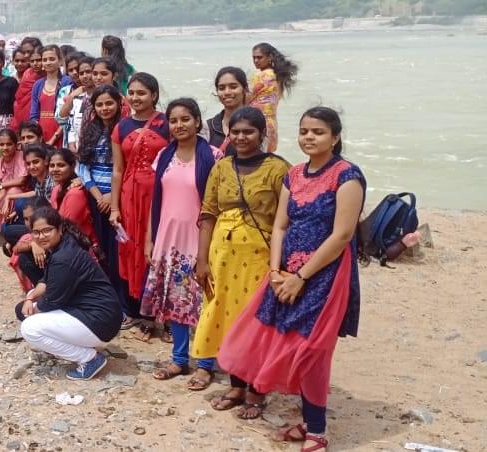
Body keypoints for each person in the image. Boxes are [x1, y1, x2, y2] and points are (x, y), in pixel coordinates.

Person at [218, 107, 366, 452]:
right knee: (273, 338)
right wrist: (274, 271)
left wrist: (301, 276)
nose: (309, 138)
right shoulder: (294, 174)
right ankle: (308, 417)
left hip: (325, 275)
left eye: (318, 132)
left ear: (335, 137)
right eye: (304, 131)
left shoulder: (347, 176)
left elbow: (342, 235)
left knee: (313, 350)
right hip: (285, 273)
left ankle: (317, 430)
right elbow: (280, 226)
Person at [196, 107, 289, 418]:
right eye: (235, 132)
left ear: (262, 135)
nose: (240, 137)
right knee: (228, 319)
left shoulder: (278, 169)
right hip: (222, 258)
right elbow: (208, 214)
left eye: (248, 132)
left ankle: (257, 390)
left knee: (256, 323)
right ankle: (236, 385)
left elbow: (287, 219)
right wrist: (201, 260)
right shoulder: (222, 167)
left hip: (260, 258)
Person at [141, 98, 222, 389]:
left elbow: (216, 206)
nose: (180, 125)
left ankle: (205, 363)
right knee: (175, 300)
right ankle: (179, 358)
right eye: (174, 120)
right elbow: (156, 202)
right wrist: (150, 238)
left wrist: (209, 249)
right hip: (168, 238)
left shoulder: (213, 156)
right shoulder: (163, 155)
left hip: (199, 239)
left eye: (186, 119)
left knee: (203, 302)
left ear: (198, 121)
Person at [15, 206, 123, 381]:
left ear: (59, 229)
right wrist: (29, 298)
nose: (41, 236)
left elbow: (50, 302)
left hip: (100, 321)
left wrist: (32, 307)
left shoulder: (64, 257)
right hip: (98, 316)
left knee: (30, 328)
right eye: (36, 232)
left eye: (46, 230)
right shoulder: (63, 245)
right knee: (24, 311)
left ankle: (89, 359)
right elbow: (46, 281)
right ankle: (77, 347)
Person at [109, 72, 170, 332]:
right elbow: (117, 170)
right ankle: (137, 311)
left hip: (160, 195)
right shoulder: (121, 127)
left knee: (160, 250)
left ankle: (165, 315)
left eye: (141, 93)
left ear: (154, 95)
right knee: (130, 250)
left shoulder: (167, 124)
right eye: (131, 93)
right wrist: (114, 207)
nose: (135, 98)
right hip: (129, 197)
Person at [75, 85, 124, 305]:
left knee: (119, 250)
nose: (105, 108)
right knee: (101, 248)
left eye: (109, 103)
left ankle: (124, 299)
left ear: (118, 104)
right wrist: (97, 195)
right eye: (100, 104)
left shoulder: (124, 129)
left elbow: (125, 168)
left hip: (118, 199)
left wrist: (111, 197)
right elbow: (82, 167)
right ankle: (108, 296)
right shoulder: (90, 130)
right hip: (96, 198)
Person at [249, 43, 299, 153]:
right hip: (271, 123)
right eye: (254, 58)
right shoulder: (279, 76)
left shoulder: (261, 75)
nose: (256, 61)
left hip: (255, 122)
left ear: (270, 57)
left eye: (259, 57)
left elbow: (246, 97)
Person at [30, 45, 73, 147]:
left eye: (52, 59)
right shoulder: (38, 84)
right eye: (45, 60)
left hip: (61, 132)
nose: (48, 62)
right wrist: (38, 137)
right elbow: (34, 115)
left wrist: (54, 138)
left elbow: (68, 114)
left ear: (60, 61)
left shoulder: (67, 82)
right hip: (42, 134)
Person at [48, 148, 94, 241]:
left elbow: (68, 229)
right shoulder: (56, 189)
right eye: (52, 165)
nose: (55, 169)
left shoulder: (75, 193)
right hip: (58, 236)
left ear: (72, 166)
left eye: (61, 165)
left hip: (75, 243)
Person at [0, 128, 27, 230]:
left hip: (24, 195)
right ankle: (5, 226)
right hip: (6, 195)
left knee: (13, 190)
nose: (5, 147)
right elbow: (0, 189)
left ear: (16, 145)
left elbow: (22, 180)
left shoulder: (21, 157)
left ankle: (11, 225)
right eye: (1, 144)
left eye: (9, 144)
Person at [203, 67, 249, 153]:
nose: (227, 92)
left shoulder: (257, 125)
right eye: (221, 88)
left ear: (245, 89)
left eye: (233, 87)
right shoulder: (208, 127)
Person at [60, 56, 95, 150]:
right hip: (78, 150)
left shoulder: (103, 98)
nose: (85, 76)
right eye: (81, 73)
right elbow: (69, 121)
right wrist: (71, 142)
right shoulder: (79, 99)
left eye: (88, 72)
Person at [12, 38, 42, 129]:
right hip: (22, 119)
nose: (26, 55)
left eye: (29, 52)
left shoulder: (47, 74)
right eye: (24, 52)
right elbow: (20, 100)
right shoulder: (27, 73)